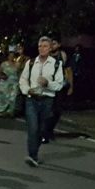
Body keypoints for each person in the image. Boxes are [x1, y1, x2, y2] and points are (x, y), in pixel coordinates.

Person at [18, 36, 64, 167]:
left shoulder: (56, 64)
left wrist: (47, 83)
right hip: (32, 100)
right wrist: (27, 90)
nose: (42, 49)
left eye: (45, 46)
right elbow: (23, 79)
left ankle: (35, 152)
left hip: (47, 100)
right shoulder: (31, 63)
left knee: (42, 129)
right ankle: (32, 155)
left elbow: (59, 84)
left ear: (50, 48)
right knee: (33, 128)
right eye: (40, 46)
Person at [0, 50, 21, 116]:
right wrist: (2, 76)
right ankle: (1, 111)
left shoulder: (17, 64)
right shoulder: (4, 64)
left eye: (13, 56)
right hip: (5, 83)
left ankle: (10, 111)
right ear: (8, 56)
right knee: (3, 97)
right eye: (10, 56)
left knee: (12, 98)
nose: (11, 57)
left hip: (14, 84)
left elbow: (19, 74)